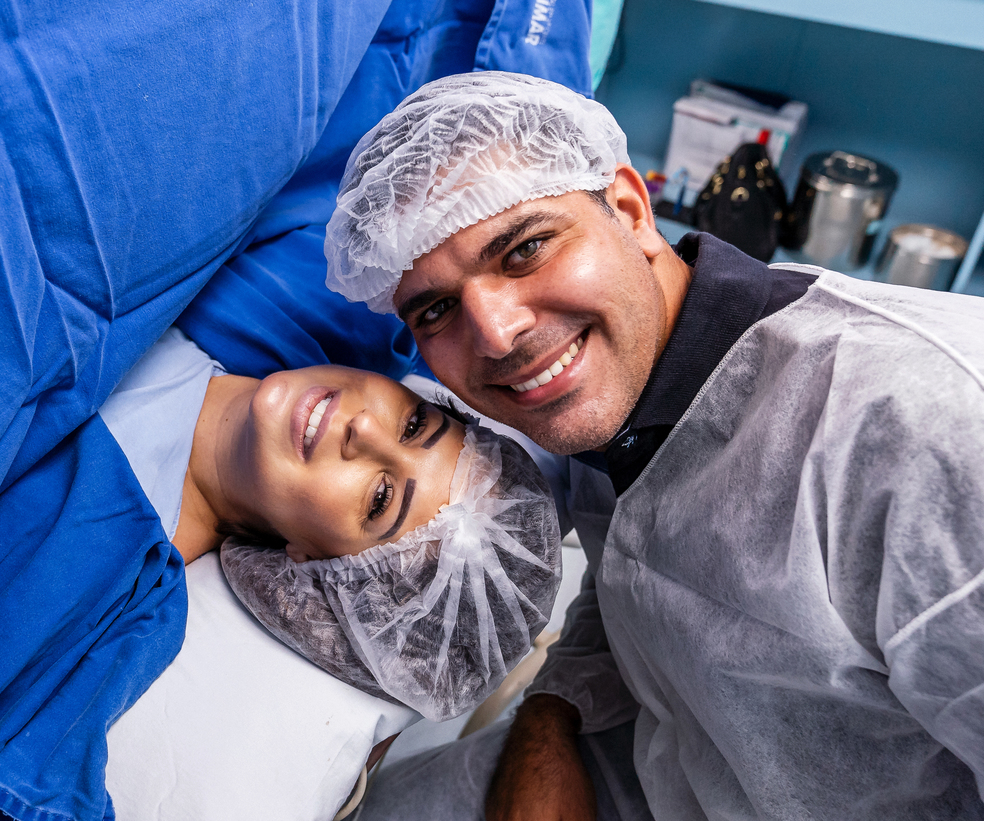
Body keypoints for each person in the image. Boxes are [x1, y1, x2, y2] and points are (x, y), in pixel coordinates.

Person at [324, 71, 984, 819]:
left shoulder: (927, 436)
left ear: (633, 212)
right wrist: (550, 715)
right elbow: (638, 575)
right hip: (662, 753)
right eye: (437, 309)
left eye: (526, 249)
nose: (498, 335)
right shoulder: (617, 384)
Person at [98, 325, 563, 721]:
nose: (365, 428)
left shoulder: (100, 559)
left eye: (380, 499)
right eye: (414, 425)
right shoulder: (316, 314)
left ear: (320, 571)